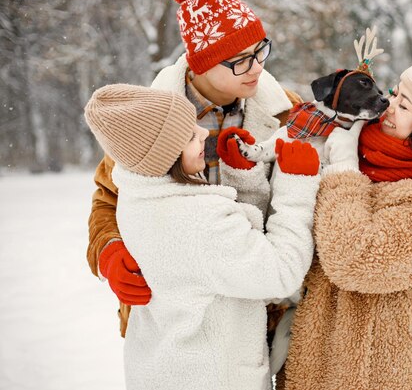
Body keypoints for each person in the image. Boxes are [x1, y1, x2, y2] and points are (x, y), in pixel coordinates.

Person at [86, 0, 302, 337]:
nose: (257, 68)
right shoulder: (149, 120)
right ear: (201, 63)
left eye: (260, 51)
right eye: (239, 61)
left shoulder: (287, 112)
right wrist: (108, 251)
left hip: (263, 309)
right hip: (175, 319)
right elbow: (109, 197)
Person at [84, 84, 320, 390]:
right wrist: (296, 185)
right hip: (214, 377)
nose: (203, 133)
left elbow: (224, 249)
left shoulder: (139, 192)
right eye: (190, 136)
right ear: (163, 156)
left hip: (166, 369)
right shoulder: (198, 220)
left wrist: (241, 177)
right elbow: (280, 273)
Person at [281, 59, 412, 390]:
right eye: (394, 93)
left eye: (404, 105)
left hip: (377, 369)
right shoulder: (362, 147)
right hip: (313, 357)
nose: (387, 106)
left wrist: (343, 172)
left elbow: (354, 259)